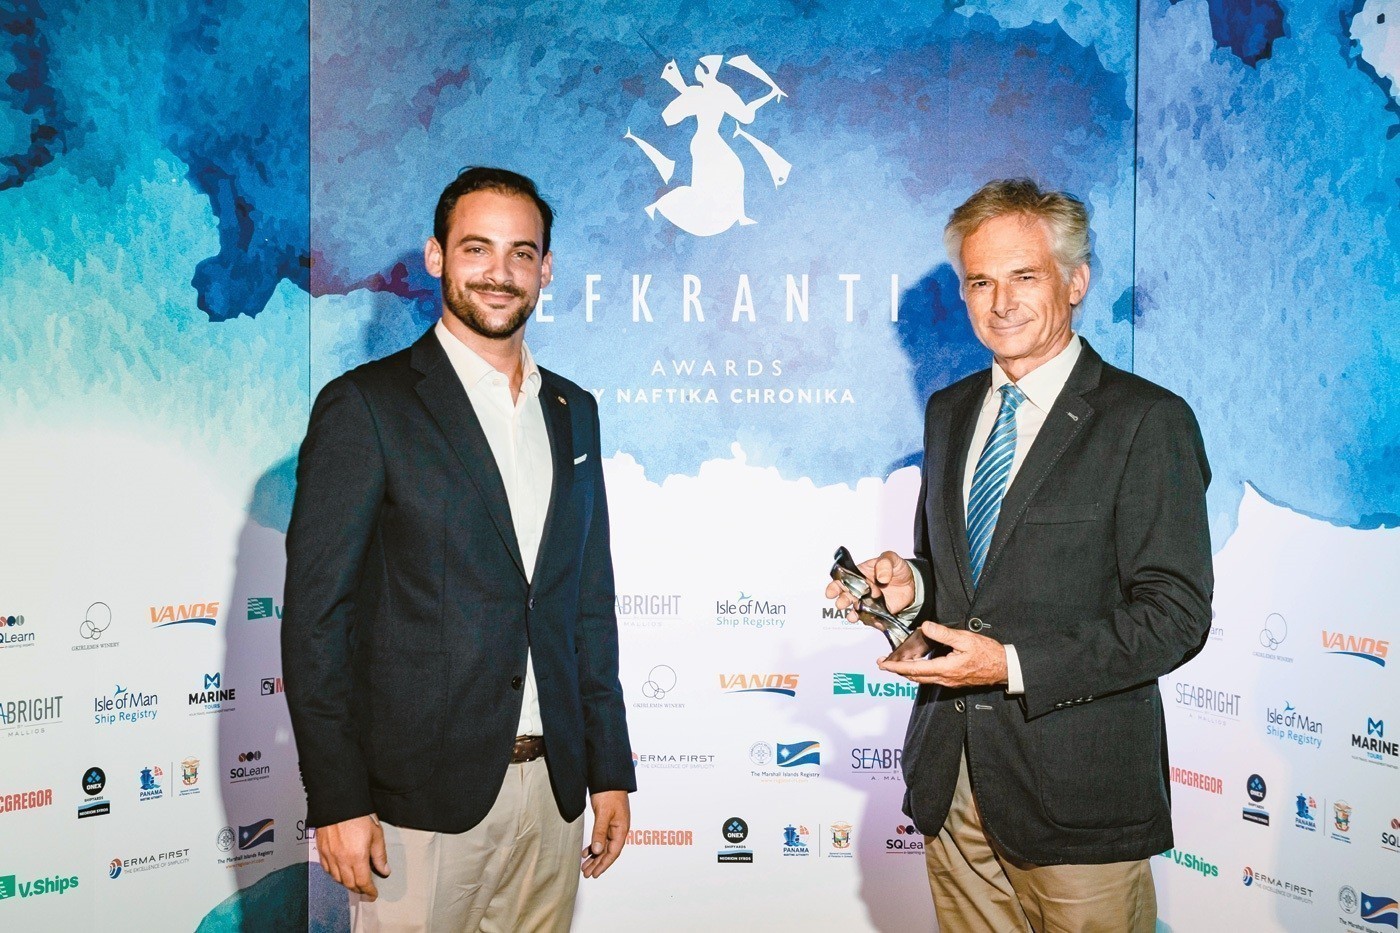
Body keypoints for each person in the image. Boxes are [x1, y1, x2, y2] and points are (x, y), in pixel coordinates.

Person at [826, 179, 1212, 932]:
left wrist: (1009, 664)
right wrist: (910, 588)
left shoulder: (1147, 421)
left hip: (1078, 802)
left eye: (1024, 276)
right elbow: (967, 581)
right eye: (980, 282)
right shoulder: (950, 410)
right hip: (953, 785)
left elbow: (1175, 617)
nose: (1000, 302)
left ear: (1076, 282)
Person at [283, 166, 634, 932]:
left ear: (546, 269)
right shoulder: (366, 406)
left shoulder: (574, 410)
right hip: (419, 804)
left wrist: (609, 766)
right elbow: (316, 620)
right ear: (437, 256)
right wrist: (338, 797)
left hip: (554, 794)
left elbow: (588, 602)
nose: (499, 272)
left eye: (520, 253)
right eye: (477, 248)